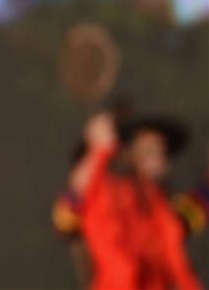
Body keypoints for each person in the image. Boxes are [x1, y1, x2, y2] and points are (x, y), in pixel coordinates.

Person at [52, 111, 206, 289]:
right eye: (148, 151)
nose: (158, 161)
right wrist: (97, 151)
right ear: (126, 153)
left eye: (161, 153)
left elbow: (192, 211)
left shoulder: (160, 214)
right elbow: (65, 216)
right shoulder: (101, 203)